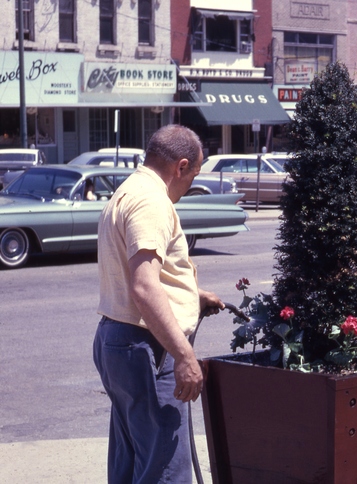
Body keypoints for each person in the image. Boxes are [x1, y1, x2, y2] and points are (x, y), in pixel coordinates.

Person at [93, 124, 224, 482]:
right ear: (181, 166)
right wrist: (184, 356)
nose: (190, 184)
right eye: (193, 175)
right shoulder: (152, 202)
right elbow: (145, 288)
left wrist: (191, 295)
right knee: (166, 465)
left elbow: (135, 271)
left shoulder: (128, 191)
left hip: (119, 339)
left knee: (133, 458)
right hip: (146, 346)